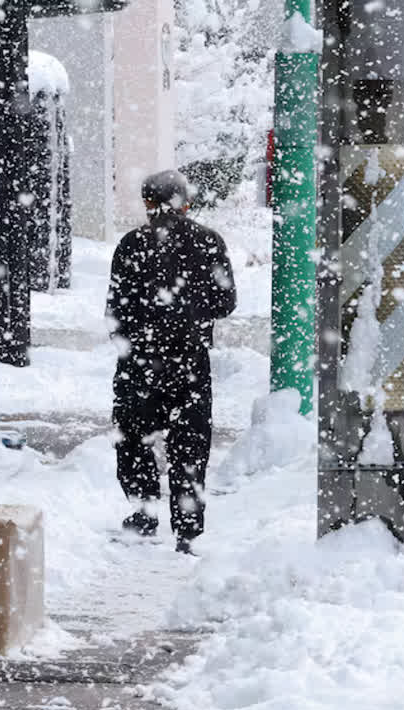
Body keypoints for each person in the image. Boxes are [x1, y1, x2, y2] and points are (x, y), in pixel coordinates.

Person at [106, 170, 236, 555]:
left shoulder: (132, 245)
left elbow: (117, 309)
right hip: (190, 360)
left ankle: (144, 512)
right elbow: (226, 302)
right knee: (190, 445)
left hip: (140, 361)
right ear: (187, 202)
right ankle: (188, 528)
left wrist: (133, 337)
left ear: (147, 203)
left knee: (134, 439)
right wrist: (193, 315)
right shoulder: (209, 242)